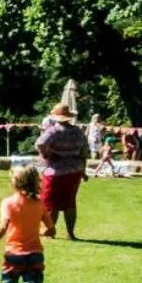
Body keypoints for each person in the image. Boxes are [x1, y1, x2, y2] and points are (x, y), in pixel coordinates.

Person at [35, 102, 90, 239]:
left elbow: (40, 143)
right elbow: (84, 152)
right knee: (70, 202)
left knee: (50, 202)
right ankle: (70, 233)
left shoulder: (53, 131)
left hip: (55, 171)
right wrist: (83, 170)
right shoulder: (78, 132)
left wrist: (46, 155)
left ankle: (50, 231)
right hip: (74, 171)